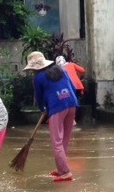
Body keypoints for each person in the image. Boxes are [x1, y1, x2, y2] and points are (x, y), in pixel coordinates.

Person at [23, 51, 79, 182]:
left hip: (56, 107)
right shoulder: (61, 69)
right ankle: (61, 168)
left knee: (57, 142)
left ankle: (65, 173)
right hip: (71, 104)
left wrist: (42, 109)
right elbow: (73, 87)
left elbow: (39, 97)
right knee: (64, 139)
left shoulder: (38, 77)